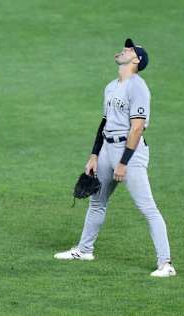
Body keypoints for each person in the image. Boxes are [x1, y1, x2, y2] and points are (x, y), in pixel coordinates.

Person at [54, 38, 176, 277]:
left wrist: (124, 162)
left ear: (136, 60)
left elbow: (137, 127)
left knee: (147, 208)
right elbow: (104, 123)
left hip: (129, 153)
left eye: (130, 49)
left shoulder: (138, 87)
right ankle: (84, 249)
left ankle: (166, 264)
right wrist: (94, 154)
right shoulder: (111, 87)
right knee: (97, 202)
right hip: (107, 151)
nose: (125, 49)